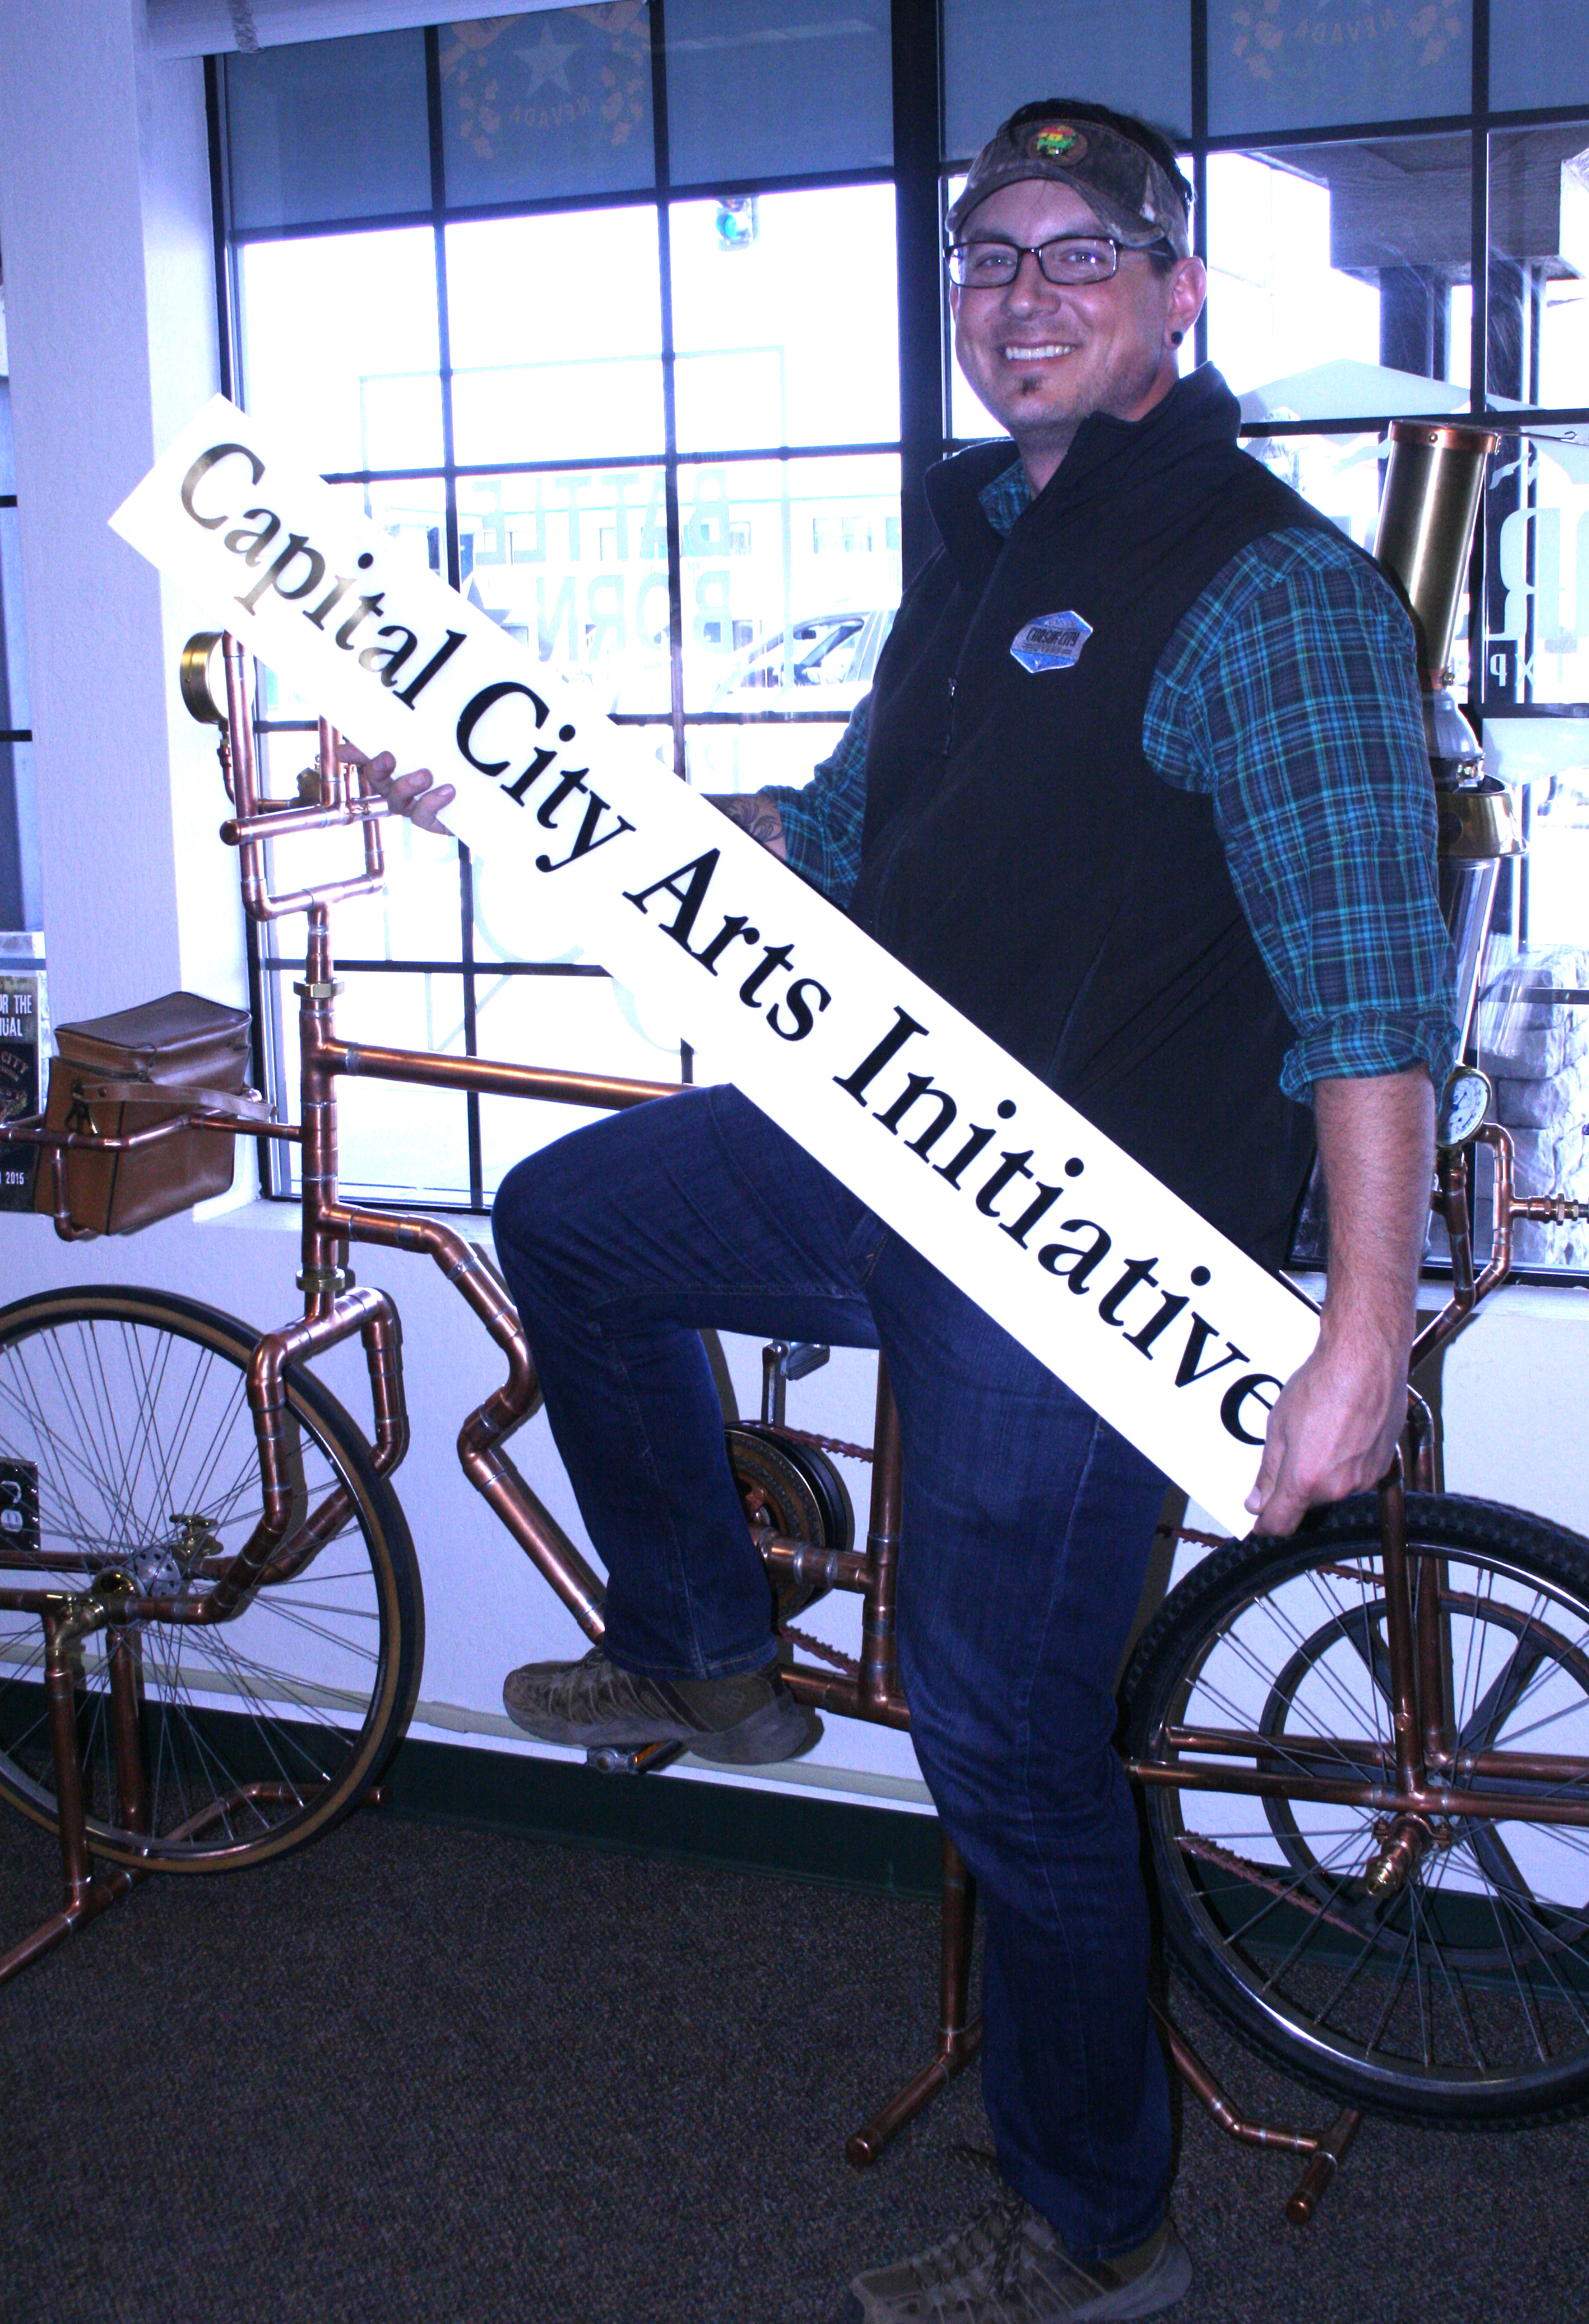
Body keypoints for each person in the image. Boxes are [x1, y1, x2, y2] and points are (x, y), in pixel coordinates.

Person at [368, 99, 1456, 2324]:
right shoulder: (978, 540)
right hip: (892, 1142)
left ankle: (1095, 2224)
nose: (1021, 295)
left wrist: (1358, 1329)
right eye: (987, 257)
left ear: (1176, 295)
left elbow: (1368, 987)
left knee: (1000, 1745)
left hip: (1076, 1244)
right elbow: (835, 838)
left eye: (1078, 255)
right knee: (573, 1218)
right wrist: (514, 788)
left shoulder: (1267, 590)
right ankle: (705, 1649)